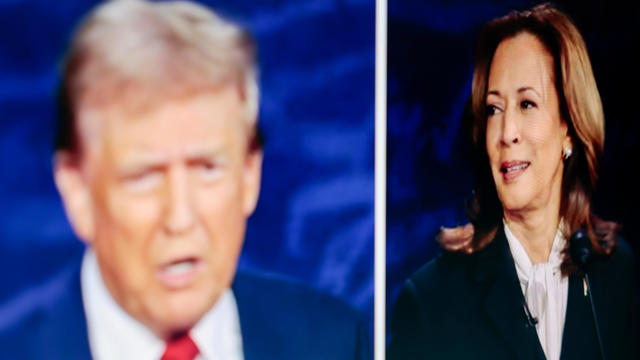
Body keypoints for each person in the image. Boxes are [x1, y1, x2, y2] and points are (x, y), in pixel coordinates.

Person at [0, 1, 369, 359]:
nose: (180, 218)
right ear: (77, 191)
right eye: (144, 177)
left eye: (207, 168)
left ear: (249, 175)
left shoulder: (334, 341)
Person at [387, 3, 638, 360]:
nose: (506, 134)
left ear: (570, 128)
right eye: (494, 109)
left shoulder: (616, 273)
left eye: (527, 104)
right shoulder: (431, 302)